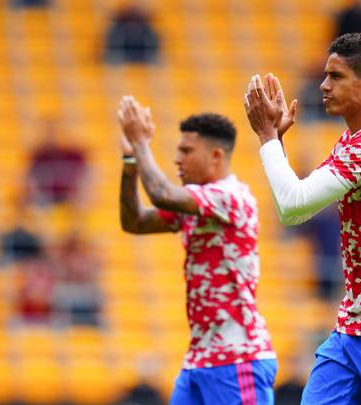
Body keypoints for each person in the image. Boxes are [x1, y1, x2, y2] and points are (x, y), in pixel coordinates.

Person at [244, 32, 361, 404]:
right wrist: (276, 143)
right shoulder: (353, 143)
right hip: (354, 325)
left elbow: (292, 205)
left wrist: (268, 138)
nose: (323, 85)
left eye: (336, 76)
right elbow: (296, 212)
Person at [117, 100, 277, 404]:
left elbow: (162, 195)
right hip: (200, 359)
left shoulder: (230, 196)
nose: (177, 159)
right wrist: (129, 159)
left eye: (186, 151)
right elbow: (134, 222)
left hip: (238, 358)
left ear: (216, 155)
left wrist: (140, 143)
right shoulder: (198, 203)